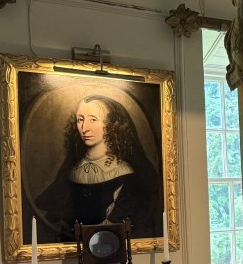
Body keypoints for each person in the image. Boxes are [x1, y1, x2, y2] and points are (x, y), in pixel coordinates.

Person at [36, 94, 160, 241]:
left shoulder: (126, 174)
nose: (84, 128)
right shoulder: (72, 170)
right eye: (80, 120)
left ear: (110, 124)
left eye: (93, 120)